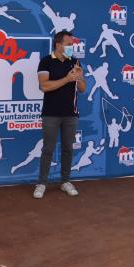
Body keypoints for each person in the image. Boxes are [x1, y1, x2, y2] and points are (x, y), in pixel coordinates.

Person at [35, 30, 86, 199]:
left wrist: (78, 77)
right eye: (69, 44)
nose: (72, 47)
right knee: (48, 149)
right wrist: (66, 79)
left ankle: (65, 181)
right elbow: (44, 86)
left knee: (67, 149)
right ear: (58, 44)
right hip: (50, 114)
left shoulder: (75, 62)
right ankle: (42, 183)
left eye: (72, 44)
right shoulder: (46, 61)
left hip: (70, 114)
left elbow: (83, 89)